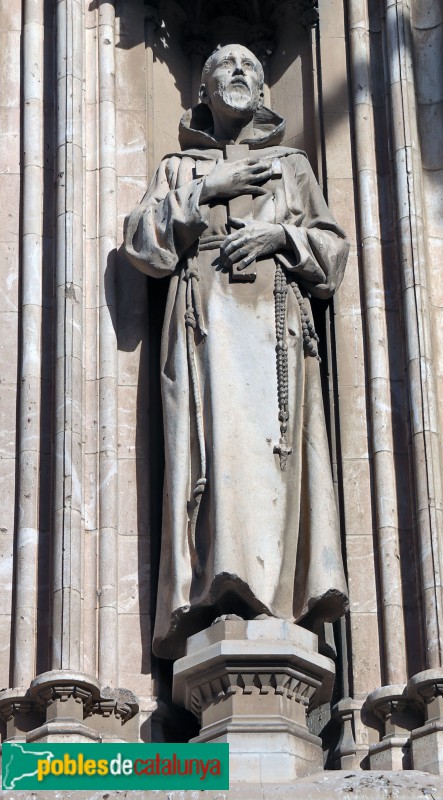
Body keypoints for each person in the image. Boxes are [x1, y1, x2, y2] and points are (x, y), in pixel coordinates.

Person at [124, 44, 349, 659]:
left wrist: (281, 234)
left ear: (267, 91)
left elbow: (333, 255)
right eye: (224, 66)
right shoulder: (179, 168)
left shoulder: (292, 166)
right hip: (203, 337)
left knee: (273, 460)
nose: (240, 73)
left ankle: (278, 598)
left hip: (276, 339)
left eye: (250, 65)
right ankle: (215, 596)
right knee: (211, 459)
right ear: (203, 91)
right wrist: (205, 192)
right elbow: (141, 245)